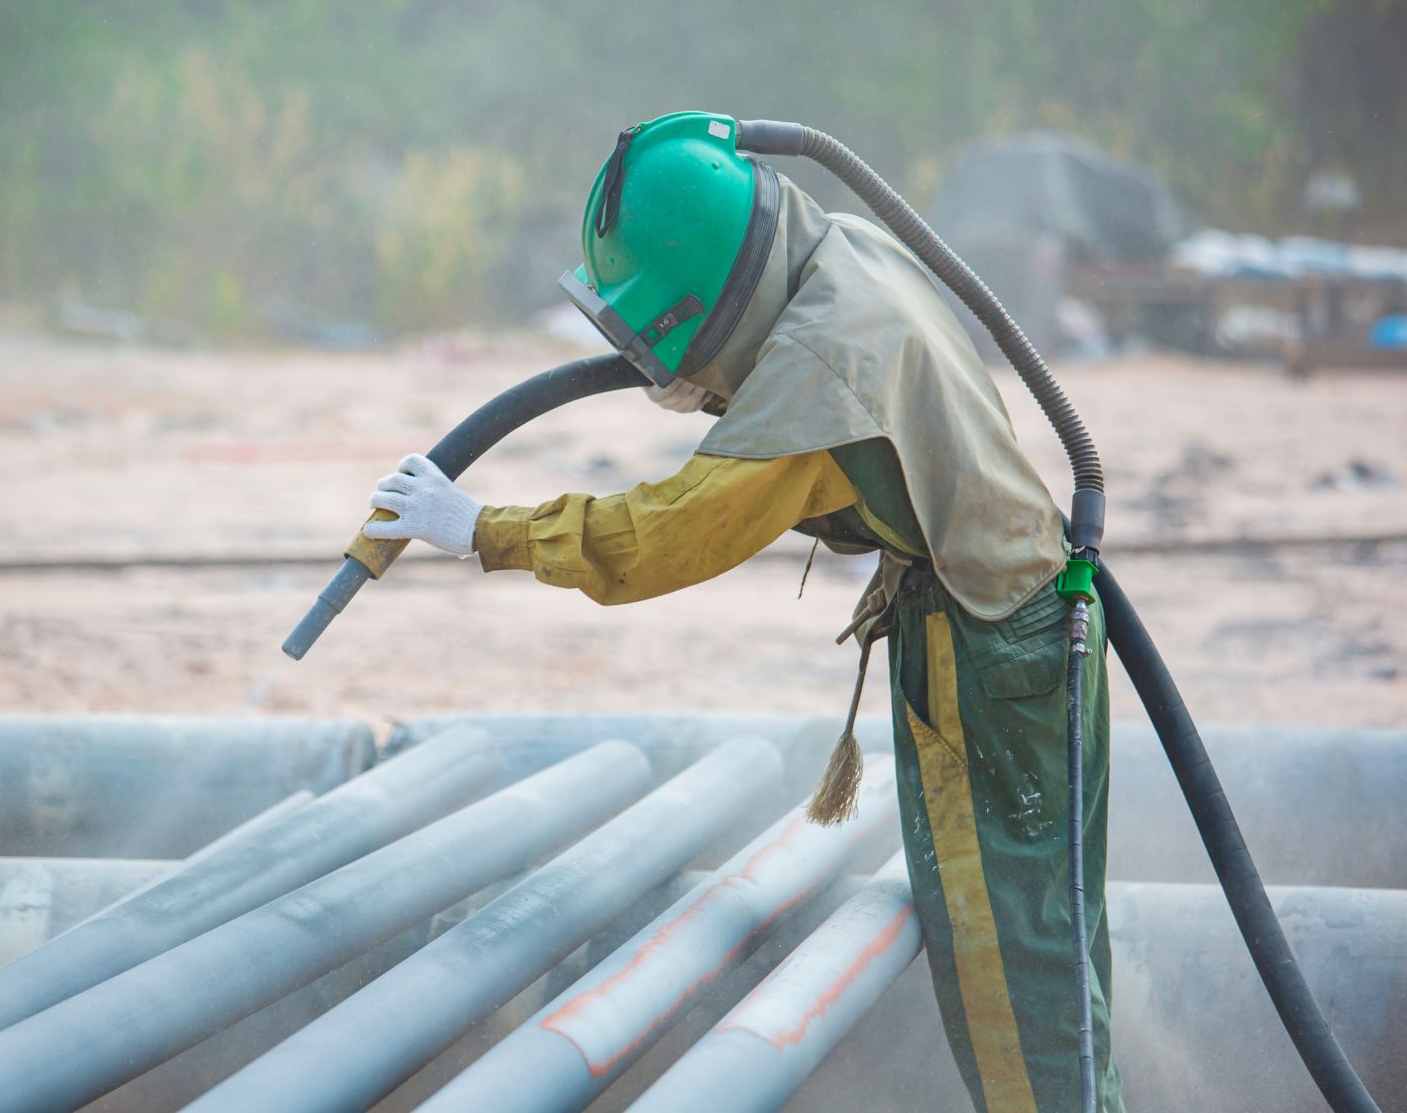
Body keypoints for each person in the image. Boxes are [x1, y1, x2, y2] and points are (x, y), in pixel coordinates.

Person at [360, 112, 1122, 1112]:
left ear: (700, 296)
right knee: (1045, 944)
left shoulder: (817, 373)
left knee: (1009, 970)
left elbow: (670, 534)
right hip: (1024, 625)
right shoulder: (843, 251)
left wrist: (482, 531)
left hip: (988, 651)